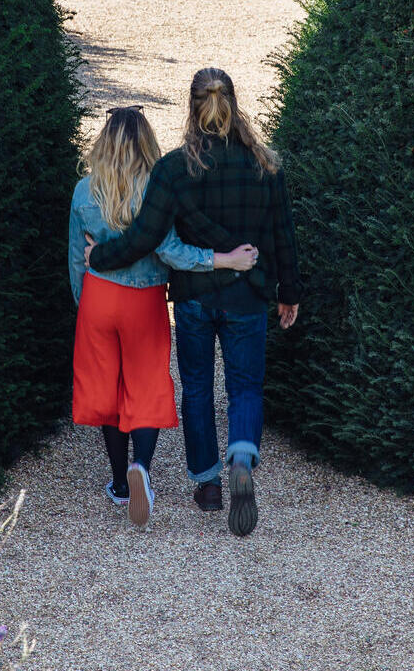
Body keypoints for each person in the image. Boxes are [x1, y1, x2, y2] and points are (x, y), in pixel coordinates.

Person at [87, 70, 300, 538]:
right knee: (246, 386)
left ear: (192, 108)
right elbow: (284, 235)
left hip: (194, 298)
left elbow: (144, 238)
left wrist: (97, 257)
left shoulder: (174, 168)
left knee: (198, 388)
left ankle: (206, 484)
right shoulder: (265, 166)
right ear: (234, 105)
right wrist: (289, 294)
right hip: (247, 298)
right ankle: (241, 455)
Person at [68, 105, 261, 527]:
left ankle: (120, 484)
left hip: (99, 299)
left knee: (108, 389)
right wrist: (223, 259)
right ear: (146, 145)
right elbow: (171, 251)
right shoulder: (154, 191)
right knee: (146, 385)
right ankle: (143, 470)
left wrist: (86, 306)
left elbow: (75, 262)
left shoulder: (84, 190)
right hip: (143, 300)